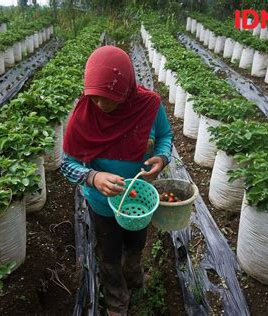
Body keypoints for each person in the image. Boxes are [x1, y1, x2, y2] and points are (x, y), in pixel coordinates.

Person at [61, 45, 173, 316]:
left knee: (136, 245)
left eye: (109, 98)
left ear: (127, 88)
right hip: (102, 204)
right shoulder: (83, 115)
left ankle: (134, 278)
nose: (101, 104)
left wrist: (162, 157)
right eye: (95, 97)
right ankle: (116, 301)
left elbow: (166, 136)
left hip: (138, 199)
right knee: (109, 254)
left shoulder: (147, 106)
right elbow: (67, 164)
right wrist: (93, 176)